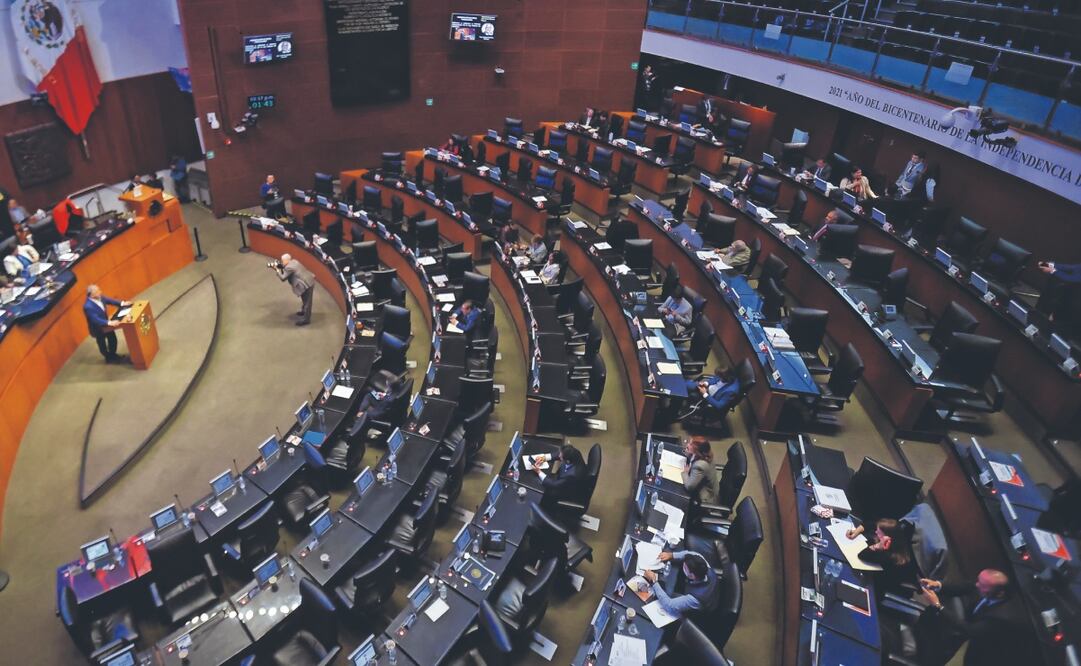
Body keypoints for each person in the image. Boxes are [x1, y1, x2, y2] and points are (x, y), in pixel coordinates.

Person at [916, 569, 1026, 666]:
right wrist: (938, 585)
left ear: (1000, 594)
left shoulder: (1001, 617)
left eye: (982, 585)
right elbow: (966, 587)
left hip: (982, 650)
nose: (977, 585)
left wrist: (938, 606)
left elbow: (969, 630)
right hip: (970, 631)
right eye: (978, 581)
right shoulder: (986, 587)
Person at [640, 550, 719, 619]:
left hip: (699, 612)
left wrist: (654, 581)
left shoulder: (695, 599)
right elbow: (692, 554)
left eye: (685, 567)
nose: (683, 566)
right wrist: (671, 555)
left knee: (664, 594)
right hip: (709, 592)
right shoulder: (704, 565)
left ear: (692, 576)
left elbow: (669, 605)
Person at [852, 518, 918, 595]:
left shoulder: (890, 556)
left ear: (887, 538)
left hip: (879, 586)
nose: (876, 532)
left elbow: (862, 555)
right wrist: (856, 532)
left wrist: (877, 545)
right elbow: (870, 524)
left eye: (879, 533)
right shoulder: (896, 535)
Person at [83, 285, 131, 363]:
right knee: (102, 343)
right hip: (97, 328)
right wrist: (109, 322)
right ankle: (108, 358)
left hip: (106, 325)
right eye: (97, 291)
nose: (100, 292)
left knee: (112, 339)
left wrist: (122, 303)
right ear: (91, 295)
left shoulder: (100, 297)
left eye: (99, 290)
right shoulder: (88, 306)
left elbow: (110, 301)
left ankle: (113, 355)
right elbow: (95, 319)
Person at [274, 253, 315, 326]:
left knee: (307, 302)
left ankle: (306, 319)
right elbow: (286, 267)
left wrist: (277, 270)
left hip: (306, 284)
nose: (282, 262)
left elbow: (283, 278)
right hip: (308, 280)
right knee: (305, 300)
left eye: (283, 261)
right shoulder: (294, 261)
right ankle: (304, 311)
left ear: (287, 260)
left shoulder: (289, 268)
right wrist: (280, 266)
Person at [681, 436, 720, 504]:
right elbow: (692, 457)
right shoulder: (706, 454)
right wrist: (688, 451)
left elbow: (689, 486)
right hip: (713, 488)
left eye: (690, 445)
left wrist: (685, 473)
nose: (687, 445)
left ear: (697, 451)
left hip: (705, 498)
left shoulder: (700, 466)